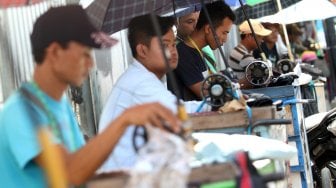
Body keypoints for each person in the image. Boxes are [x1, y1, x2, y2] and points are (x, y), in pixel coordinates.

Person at [0, 5, 180, 187]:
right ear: (55, 52)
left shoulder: (58, 104)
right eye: (84, 54)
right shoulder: (22, 110)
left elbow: (80, 167)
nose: (90, 63)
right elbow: (70, 172)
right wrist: (125, 119)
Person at [98, 14, 210, 173]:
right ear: (142, 50)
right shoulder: (140, 83)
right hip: (124, 176)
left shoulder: (145, 76)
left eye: (173, 44)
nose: (173, 51)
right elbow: (180, 113)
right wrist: (216, 103)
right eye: (165, 45)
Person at [168, 1, 236, 101]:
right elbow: (208, 93)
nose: (225, 39)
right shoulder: (182, 54)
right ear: (208, 29)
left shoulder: (199, 52)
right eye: (224, 32)